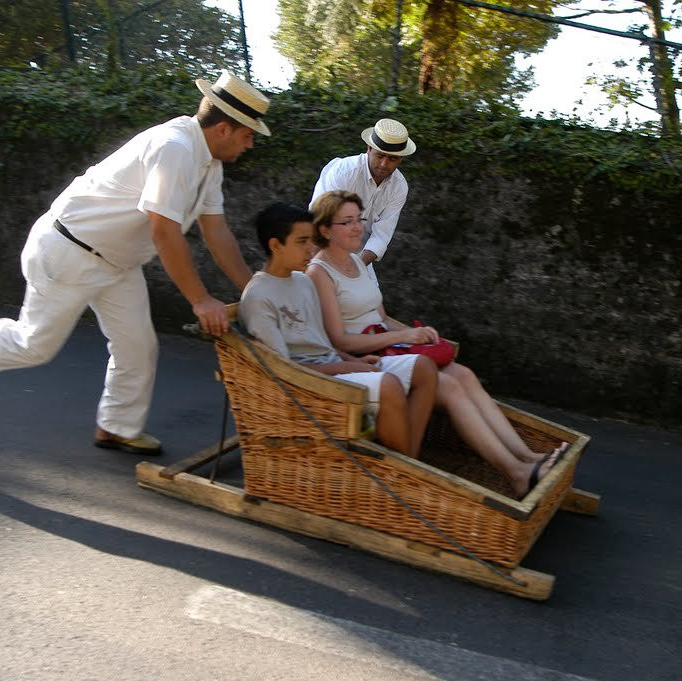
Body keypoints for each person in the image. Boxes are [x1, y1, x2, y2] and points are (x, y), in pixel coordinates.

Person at [0, 71, 270, 455]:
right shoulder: (175, 148)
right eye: (248, 135)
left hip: (116, 262)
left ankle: (117, 426)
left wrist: (254, 292)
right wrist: (200, 300)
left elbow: (217, 234)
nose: (250, 145)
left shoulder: (209, 165)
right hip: (70, 251)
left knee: (137, 346)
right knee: (31, 344)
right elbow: (164, 232)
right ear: (225, 129)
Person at [306, 190, 566, 499]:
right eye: (346, 221)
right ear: (324, 229)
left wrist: (419, 333)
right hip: (367, 358)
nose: (357, 227)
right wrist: (403, 337)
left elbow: (382, 316)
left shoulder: (358, 263)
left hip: (391, 347)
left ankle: (528, 458)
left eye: (359, 219)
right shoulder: (319, 272)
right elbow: (340, 339)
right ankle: (517, 473)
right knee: (450, 386)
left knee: (464, 375)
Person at [239, 202, 437, 459]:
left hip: (334, 367)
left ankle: (411, 461)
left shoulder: (301, 280)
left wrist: (353, 361)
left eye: (311, 240)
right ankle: (406, 473)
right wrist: (345, 368)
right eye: (301, 241)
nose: (311, 248)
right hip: (309, 383)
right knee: (388, 385)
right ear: (276, 246)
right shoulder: (258, 296)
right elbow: (281, 370)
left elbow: (321, 342)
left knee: (423, 367)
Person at [309, 118, 414, 268]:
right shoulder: (344, 172)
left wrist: (356, 266)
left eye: (392, 158)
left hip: (360, 259)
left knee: (371, 291)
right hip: (322, 250)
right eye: (380, 155)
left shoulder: (399, 186)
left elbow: (382, 234)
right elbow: (321, 221)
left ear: (401, 159)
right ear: (368, 148)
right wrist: (321, 265)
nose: (384, 164)